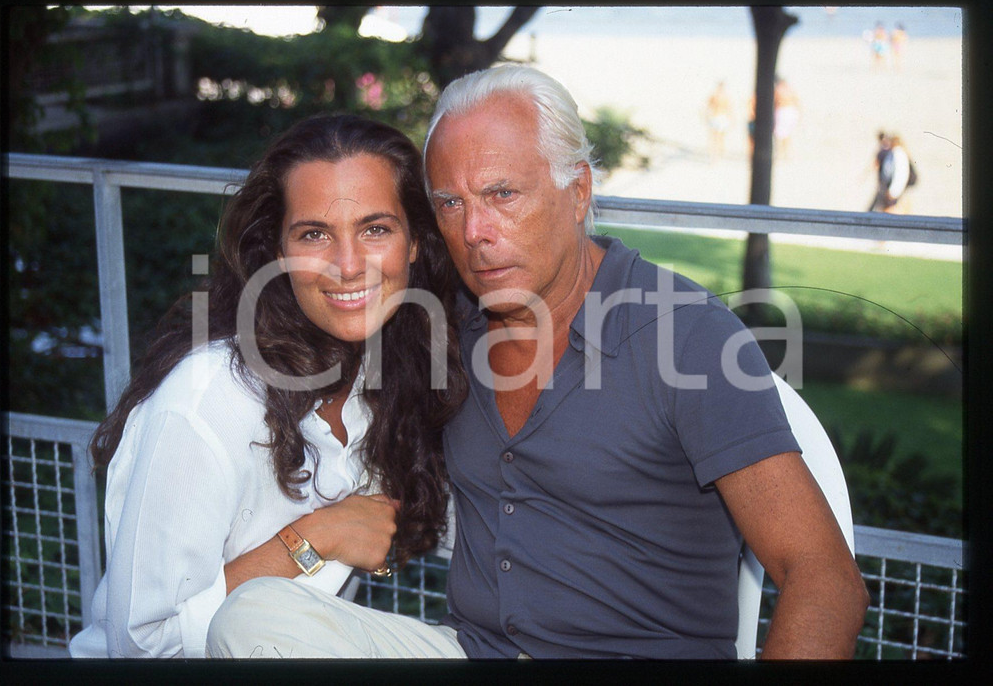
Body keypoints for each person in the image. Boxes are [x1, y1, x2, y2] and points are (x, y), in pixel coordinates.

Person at [207, 66, 868, 659]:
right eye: (451, 204)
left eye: (503, 195)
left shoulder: (688, 338)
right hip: (472, 651)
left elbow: (825, 577)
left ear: (578, 191)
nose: (475, 233)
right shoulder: (446, 325)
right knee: (252, 618)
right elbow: (326, 302)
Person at [68, 114, 467, 658]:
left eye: (375, 229)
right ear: (278, 253)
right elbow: (139, 645)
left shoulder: (390, 369)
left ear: (415, 242)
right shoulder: (211, 398)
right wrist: (315, 538)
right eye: (314, 234)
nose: (349, 266)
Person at [704, 81, 733, 161]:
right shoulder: (715, 96)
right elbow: (707, 107)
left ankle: (718, 154)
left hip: (721, 117)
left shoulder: (724, 97)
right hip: (716, 117)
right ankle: (714, 155)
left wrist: (731, 118)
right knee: (715, 137)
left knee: (720, 137)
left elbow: (729, 109)